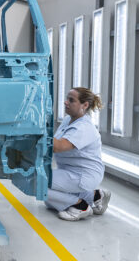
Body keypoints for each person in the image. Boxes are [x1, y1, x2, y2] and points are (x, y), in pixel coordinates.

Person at [45, 87, 111, 221]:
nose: (66, 102)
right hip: (70, 171)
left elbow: (58, 146)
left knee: (39, 182)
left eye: (71, 100)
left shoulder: (84, 127)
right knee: (48, 201)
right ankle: (95, 196)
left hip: (83, 175)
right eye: (67, 99)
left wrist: (38, 130)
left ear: (84, 105)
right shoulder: (68, 120)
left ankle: (80, 206)